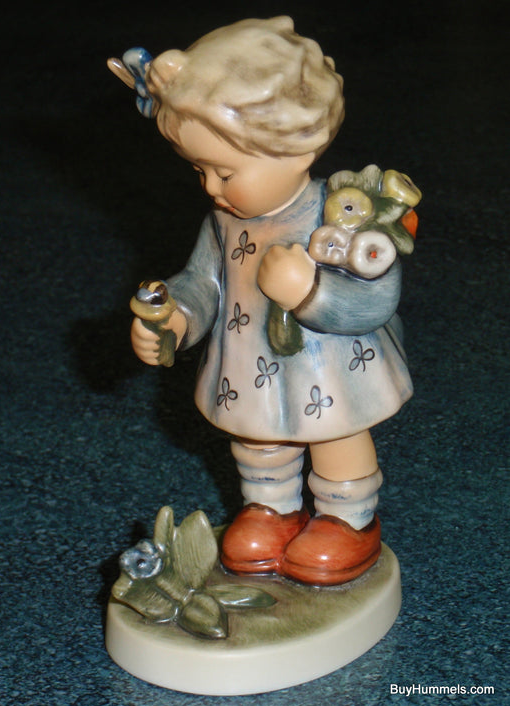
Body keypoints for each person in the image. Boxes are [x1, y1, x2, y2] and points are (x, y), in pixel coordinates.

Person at [109, 16, 414, 585]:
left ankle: (347, 520)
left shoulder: (340, 216)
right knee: (258, 438)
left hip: (332, 371)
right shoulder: (221, 222)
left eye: (225, 171)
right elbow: (203, 281)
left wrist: (309, 291)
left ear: (297, 150)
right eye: (199, 170)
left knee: (336, 437)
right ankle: (270, 509)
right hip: (249, 363)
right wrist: (174, 318)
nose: (211, 187)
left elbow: (376, 298)